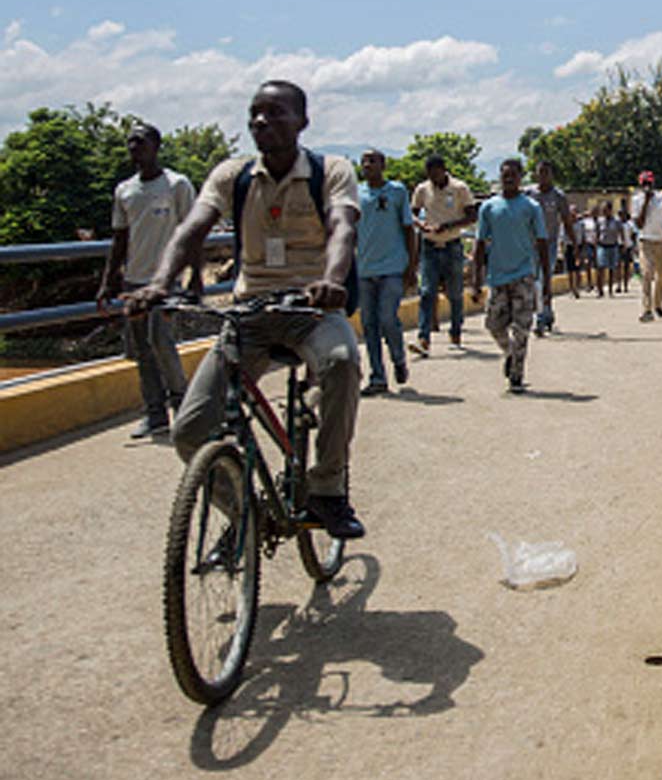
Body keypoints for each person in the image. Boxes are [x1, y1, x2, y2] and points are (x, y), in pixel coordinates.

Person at [126, 81, 365, 539]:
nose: (261, 121)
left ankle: (328, 489)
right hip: (249, 313)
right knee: (191, 431)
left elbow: (343, 229)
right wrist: (159, 285)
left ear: (302, 122)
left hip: (312, 309)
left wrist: (332, 282)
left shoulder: (331, 170)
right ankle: (246, 517)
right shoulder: (231, 175)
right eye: (255, 113)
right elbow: (191, 229)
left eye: (276, 113)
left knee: (341, 362)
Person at [98, 123, 199, 439]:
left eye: (139, 142)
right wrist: (108, 281)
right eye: (129, 142)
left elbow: (193, 232)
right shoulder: (125, 190)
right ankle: (155, 415)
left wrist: (195, 275)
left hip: (165, 282)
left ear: (156, 146)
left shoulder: (177, 185)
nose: (133, 148)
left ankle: (182, 410)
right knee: (141, 351)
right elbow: (119, 239)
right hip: (134, 282)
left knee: (162, 343)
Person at [472, 158, 551, 393]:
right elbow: (479, 244)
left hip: (524, 275)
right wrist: (476, 280)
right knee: (493, 325)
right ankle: (509, 353)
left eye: (513, 175)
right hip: (497, 276)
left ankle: (516, 374)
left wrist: (544, 279)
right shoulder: (489, 207)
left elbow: (542, 242)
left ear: (520, 177)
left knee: (522, 328)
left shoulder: (530, 207)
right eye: (504, 174)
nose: (508, 178)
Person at [357, 148, 418, 394]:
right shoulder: (356, 192)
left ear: (383, 165)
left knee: (387, 319)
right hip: (364, 269)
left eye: (372, 161)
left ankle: (398, 358)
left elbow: (409, 229)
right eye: (364, 161)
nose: (367, 165)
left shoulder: (397, 191)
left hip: (392, 267)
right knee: (369, 324)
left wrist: (411, 267)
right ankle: (377, 377)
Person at [411, 155, 476, 356]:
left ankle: (456, 329)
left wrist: (448, 226)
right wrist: (420, 224)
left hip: (452, 245)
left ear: (443, 170)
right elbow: (412, 211)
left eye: (435, 173)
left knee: (455, 293)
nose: (433, 177)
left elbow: (472, 216)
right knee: (427, 291)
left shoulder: (459, 188)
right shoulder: (423, 189)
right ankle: (424, 337)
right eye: (429, 174)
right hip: (430, 246)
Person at [526, 159, 574, 336]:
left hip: (550, 244)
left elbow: (567, 221)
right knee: (534, 281)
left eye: (546, 172)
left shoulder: (558, 197)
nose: (543, 176)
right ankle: (543, 314)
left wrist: (574, 244)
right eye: (540, 172)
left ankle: (542, 316)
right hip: (530, 245)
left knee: (544, 279)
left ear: (551, 175)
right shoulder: (528, 194)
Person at [631, 170, 662, 322]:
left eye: (649, 183)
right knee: (647, 274)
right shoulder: (636, 200)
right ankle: (647, 309)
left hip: (661, 240)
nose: (647, 186)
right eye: (644, 184)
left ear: (653, 183)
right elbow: (639, 224)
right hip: (645, 240)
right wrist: (646, 202)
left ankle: (658, 304)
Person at [595, 200, 621, 297]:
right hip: (602, 246)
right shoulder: (599, 221)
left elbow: (620, 233)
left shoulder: (616, 221)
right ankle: (600, 290)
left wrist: (622, 244)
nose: (604, 212)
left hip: (613, 246)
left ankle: (610, 290)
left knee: (611, 269)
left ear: (610, 210)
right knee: (600, 268)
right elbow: (597, 233)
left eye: (605, 210)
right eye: (603, 210)